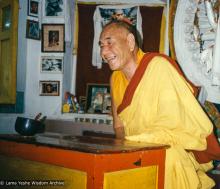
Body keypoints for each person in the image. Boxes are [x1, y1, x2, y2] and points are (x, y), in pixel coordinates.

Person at [99, 20, 220, 189]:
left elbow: (171, 126)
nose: (103, 52)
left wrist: (135, 143)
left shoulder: (158, 66)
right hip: (135, 152)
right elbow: (119, 124)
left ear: (130, 42)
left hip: (168, 152)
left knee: (169, 157)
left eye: (109, 43)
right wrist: (125, 152)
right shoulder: (115, 79)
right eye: (101, 45)